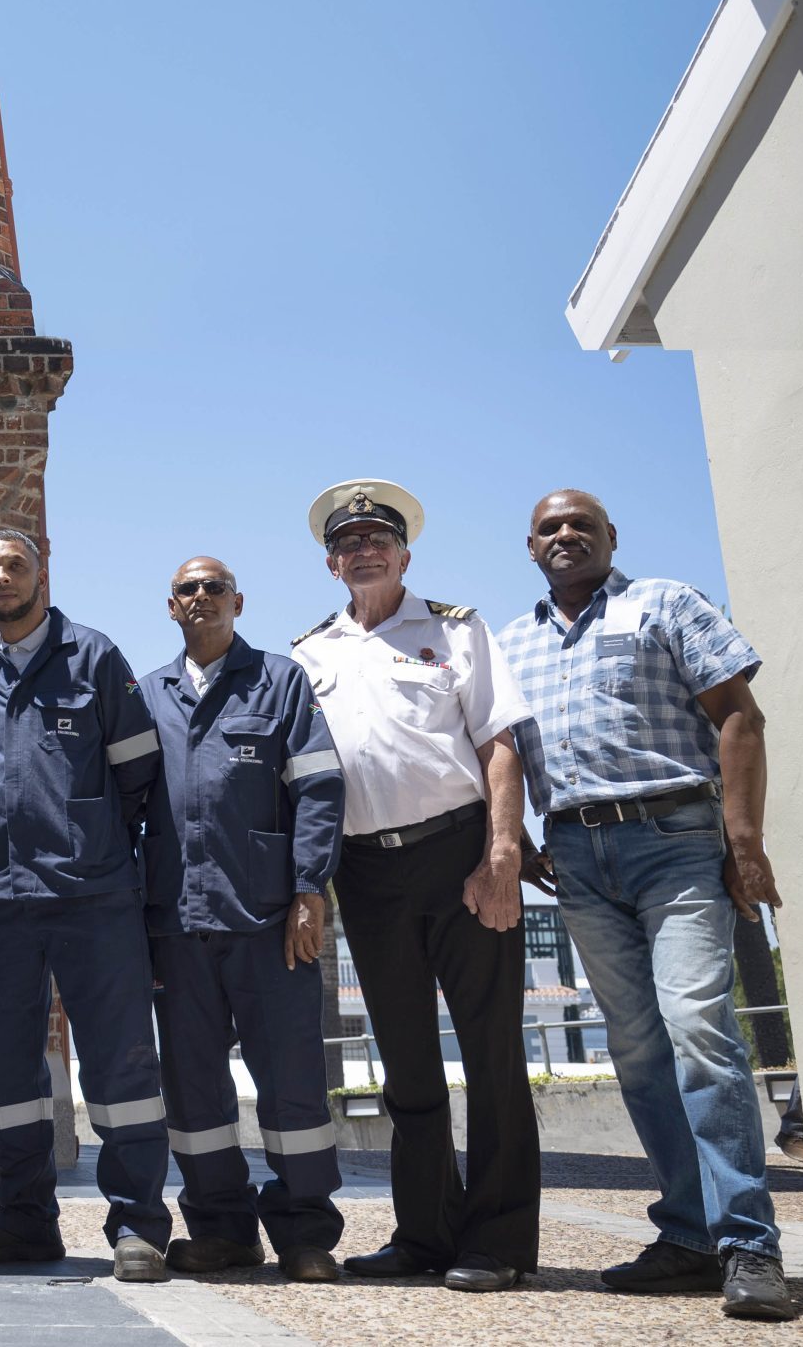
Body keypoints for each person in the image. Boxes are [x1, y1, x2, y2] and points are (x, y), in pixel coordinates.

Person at [499, 489, 794, 1322]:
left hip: (675, 840)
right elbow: (499, 751)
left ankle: (749, 1244)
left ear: (609, 537)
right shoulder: (512, 643)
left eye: (580, 524)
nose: (566, 535)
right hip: (577, 859)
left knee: (699, 1027)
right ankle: (690, 1233)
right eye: (550, 528)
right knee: (636, 1047)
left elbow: (739, 716)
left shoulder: (665, 602)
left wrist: (744, 842)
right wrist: (513, 840)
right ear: (530, 547)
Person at [291, 479, 537, 1293]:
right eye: (349, 541)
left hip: (460, 854)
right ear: (331, 563)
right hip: (366, 870)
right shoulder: (310, 653)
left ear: (405, 552)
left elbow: (500, 745)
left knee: (492, 1050)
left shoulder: (457, 631)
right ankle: (425, 1233)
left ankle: (497, 1240)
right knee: (403, 1062)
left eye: (378, 538)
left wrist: (502, 855)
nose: (364, 549)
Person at [0, 527, 171, 1279]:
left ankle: (138, 1226)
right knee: (8, 1075)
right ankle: (22, 1222)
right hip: (0, 899)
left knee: (119, 1067)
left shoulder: (95, 657)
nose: (2, 577)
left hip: (92, 895)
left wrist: (100, 851)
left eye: (14, 565)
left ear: (41, 575)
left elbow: (140, 780)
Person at [138, 556, 346, 1283]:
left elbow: (320, 787)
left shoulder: (280, 681)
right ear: (172, 608)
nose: (201, 597)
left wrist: (308, 889)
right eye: (188, 589)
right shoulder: (147, 694)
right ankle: (222, 1229)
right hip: (178, 924)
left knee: (291, 1081)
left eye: (214, 587)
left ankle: (304, 1233)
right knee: (193, 1090)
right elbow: (129, 807)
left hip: (268, 919)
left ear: (239, 601)